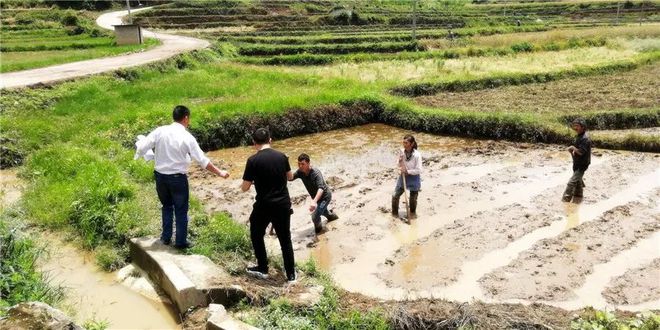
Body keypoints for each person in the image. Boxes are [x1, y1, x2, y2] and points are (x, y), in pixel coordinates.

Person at [135, 105, 229, 249]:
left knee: (166, 206)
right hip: (177, 179)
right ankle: (180, 242)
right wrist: (220, 173)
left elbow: (142, 148)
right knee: (181, 209)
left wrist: (148, 154)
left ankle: (165, 238)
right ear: (186, 118)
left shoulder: (160, 131)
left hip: (160, 177)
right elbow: (202, 160)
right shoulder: (187, 137)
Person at [241, 128, 297, 283]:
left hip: (264, 205)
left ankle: (263, 268)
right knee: (285, 239)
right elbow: (290, 176)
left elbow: (244, 187)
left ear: (254, 143)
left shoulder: (252, 161)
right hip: (283, 204)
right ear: (270, 140)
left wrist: (253, 181)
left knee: (256, 233)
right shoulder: (282, 156)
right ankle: (291, 274)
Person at [290, 153, 339, 234]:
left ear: (308, 163)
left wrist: (314, 201)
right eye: (298, 164)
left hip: (325, 197)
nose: (300, 166)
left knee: (315, 216)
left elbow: (321, 188)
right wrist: (284, 167)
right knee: (324, 212)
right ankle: (333, 217)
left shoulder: (316, 173)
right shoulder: (300, 172)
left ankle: (319, 232)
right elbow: (290, 178)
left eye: (302, 164)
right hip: (317, 199)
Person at [392, 135, 423, 218]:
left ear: (412, 144)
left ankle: (412, 214)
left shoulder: (417, 155)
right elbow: (398, 164)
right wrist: (399, 162)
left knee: (413, 199)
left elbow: (419, 170)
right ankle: (394, 214)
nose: (404, 144)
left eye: (406, 143)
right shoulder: (401, 152)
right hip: (403, 177)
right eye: (403, 142)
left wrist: (408, 172)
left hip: (414, 177)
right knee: (395, 195)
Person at [562, 118, 591, 203]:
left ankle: (565, 200)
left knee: (571, 182)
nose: (575, 128)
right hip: (577, 162)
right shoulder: (579, 135)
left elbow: (581, 152)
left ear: (583, 127)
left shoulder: (585, 138)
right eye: (574, 126)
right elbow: (577, 151)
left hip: (582, 164)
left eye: (577, 126)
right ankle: (578, 196)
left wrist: (573, 148)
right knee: (578, 181)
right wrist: (572, 151)